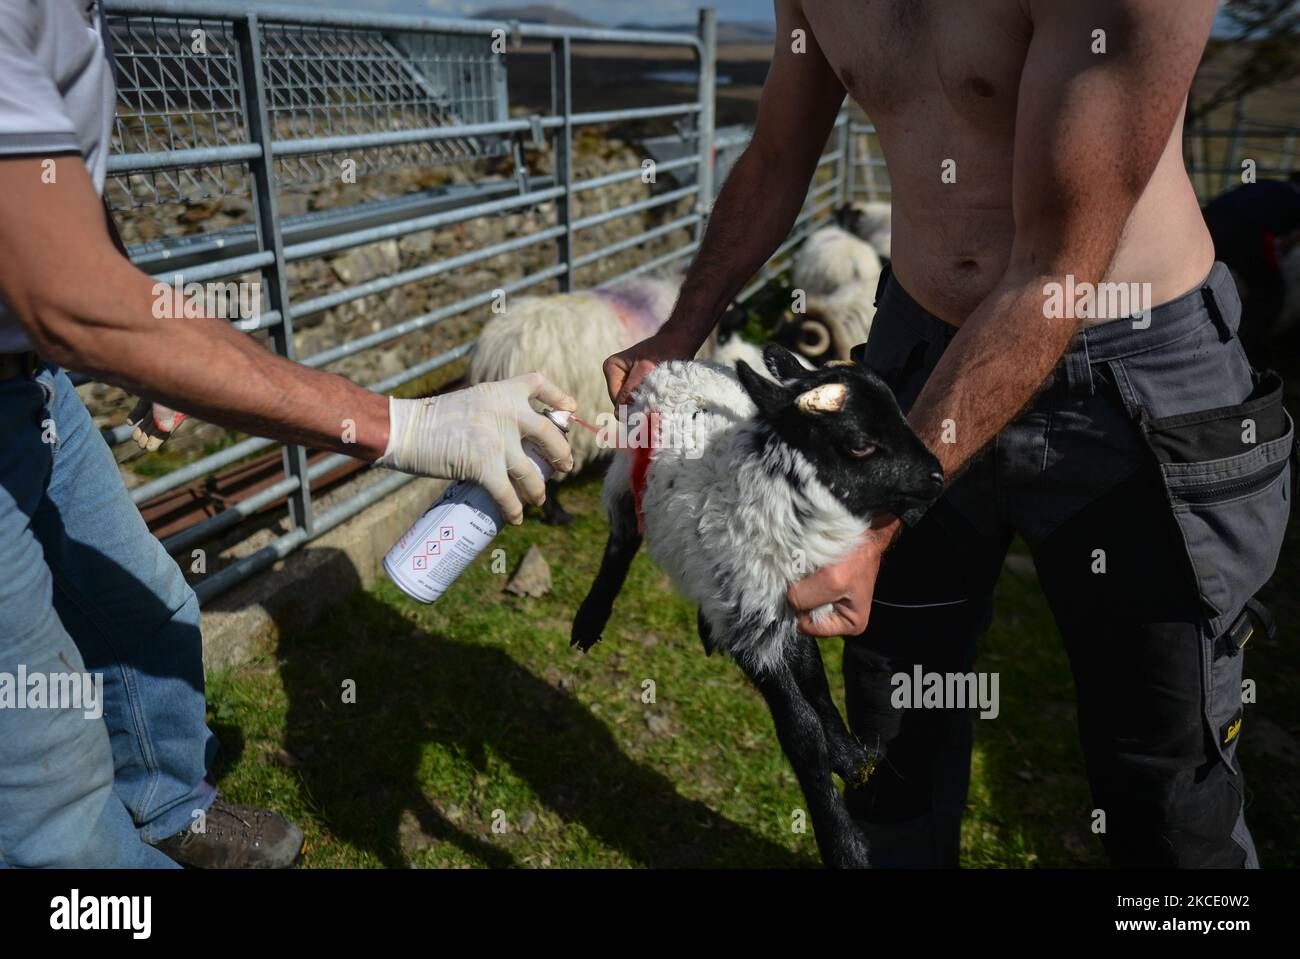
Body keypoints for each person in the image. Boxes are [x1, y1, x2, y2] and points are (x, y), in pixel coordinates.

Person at [607, 0, 1293, 867]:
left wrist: (881, 520)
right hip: (912, 350)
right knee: (894, 718)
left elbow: (1056, 272)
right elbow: (779, 154)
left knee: (1165, 776)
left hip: (1130, 369)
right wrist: (678, 333)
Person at [0, 0, 574, 868]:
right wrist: (403, 422)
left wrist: (147, 344)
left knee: (148, 610)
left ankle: (166, 806)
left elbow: (62, 214)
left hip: (28, 382)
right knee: (50, 793)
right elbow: (70, 298)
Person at [1202, 174, 1300, 353]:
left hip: (1206, 220)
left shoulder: (1267, 183)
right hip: (1248, 232)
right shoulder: (1295, 199)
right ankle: (1247, 350)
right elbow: (1288, 242)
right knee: (1270, 292)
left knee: (1204, 280)